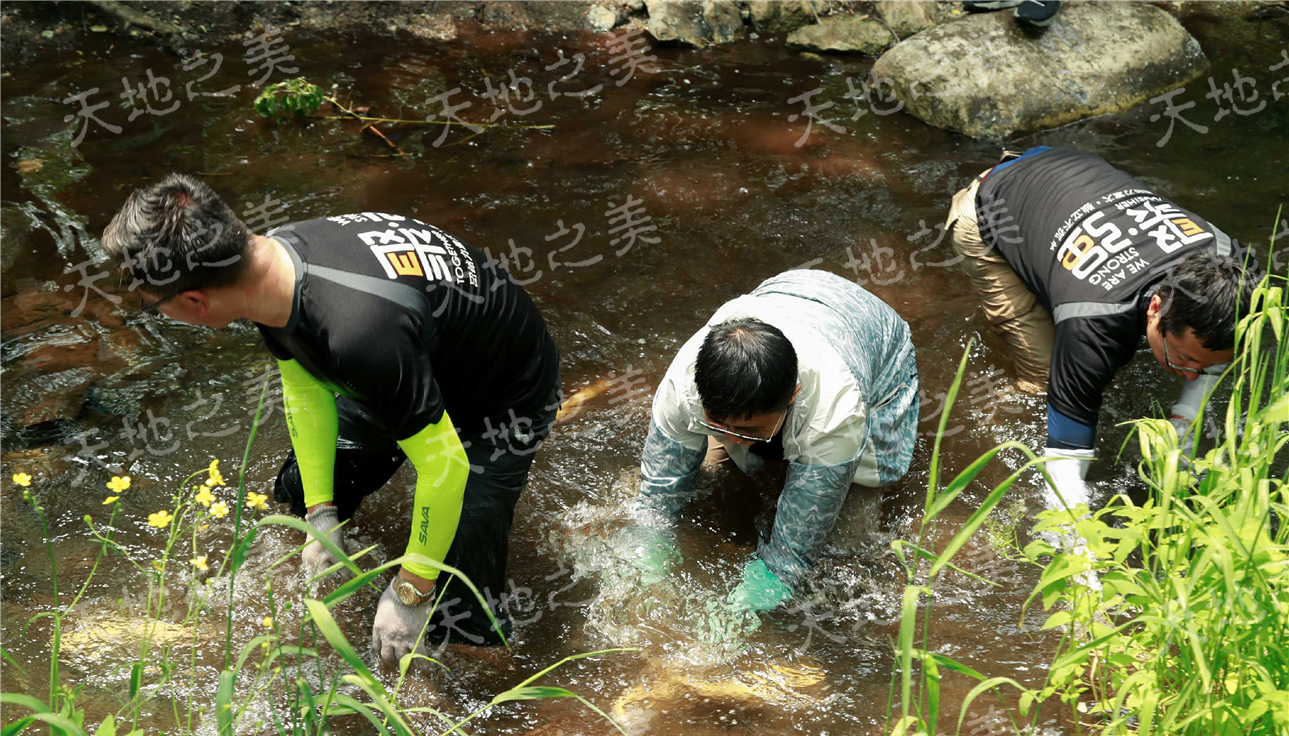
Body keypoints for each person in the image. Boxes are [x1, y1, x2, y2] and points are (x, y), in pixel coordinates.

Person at [101, 175, 561, 665]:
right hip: (410, 354)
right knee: (299, 491)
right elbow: (303, 383)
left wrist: (411, 590)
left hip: (499, 393)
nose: (156, 312)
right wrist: (322, 515)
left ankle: (493, 689)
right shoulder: (266, 263)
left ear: (196, 301)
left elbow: (446, 467)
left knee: (460, 611)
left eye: (153, 304)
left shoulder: (360, 331)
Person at [945, 146, 1262, 509]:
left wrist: (1183, 425)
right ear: (1155, 309)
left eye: (1200, 368)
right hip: (991, 209)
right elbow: (1064, 469)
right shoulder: (1091, 324)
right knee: (1041, 379)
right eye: (1184, 360)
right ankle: (990, 428)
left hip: (1070, 168)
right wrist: (1078, 549)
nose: (1191, 377)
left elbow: (1216, 351)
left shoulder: (1234, 272)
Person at [628, 269, 919, 637]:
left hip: (875, 341)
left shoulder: (836, 411)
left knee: (844, 546)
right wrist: (641, 571)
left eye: (748, 430)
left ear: (794, 395)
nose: (734, 436)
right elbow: (657, 499)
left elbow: (791, 557)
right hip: (788, 293)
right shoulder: (682, 385)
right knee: (711, 477)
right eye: (718, 423)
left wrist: (733, 620)